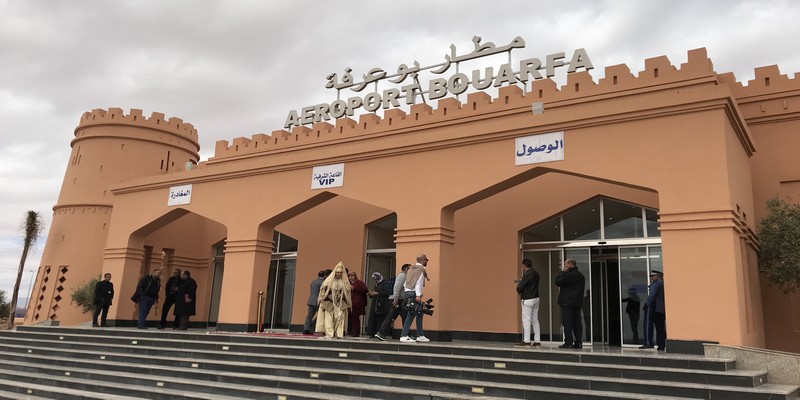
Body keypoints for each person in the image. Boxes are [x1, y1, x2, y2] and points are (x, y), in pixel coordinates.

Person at [315, 262, 352, 338]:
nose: (339, 274)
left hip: (340, 304)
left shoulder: (344, 282)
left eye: (341, 272)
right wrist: (325, 298)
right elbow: (323, 292)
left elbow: (347, 294)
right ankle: (329, 334)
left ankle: (339, 334)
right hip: (330, 303)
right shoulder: (329, 281)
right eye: (338, 272)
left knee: (340, 319)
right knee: (329, 319)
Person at [374, 263, 410, 341]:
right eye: (410, 269)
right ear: (406, 269)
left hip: (398, 299)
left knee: (392, 316)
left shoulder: (404, 276)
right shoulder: (402, 276)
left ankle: (381, 333)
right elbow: (397, 288)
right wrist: (396, 299)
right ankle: (405, 335)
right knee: (404, 316)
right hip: (398, 299)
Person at [555, 259, 585, 349]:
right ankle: (578, 342)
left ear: (570, 265)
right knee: (577, 323)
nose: (564, 266)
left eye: (565, 265)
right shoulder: (581, 276)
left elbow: (558, 282)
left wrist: (562, 272)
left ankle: (568, 342)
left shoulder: (568, 275)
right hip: (577, 303)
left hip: (567, 302)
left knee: (567, 323)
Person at [400, 254, 430, 343]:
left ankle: (420, 335)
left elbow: (405, 283)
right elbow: (419, 282)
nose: (427, 261)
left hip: (408, 292)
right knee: (411, 314)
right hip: (414, 293)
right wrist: (418, 294)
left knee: (420, 313)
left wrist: (407, 291)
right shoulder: (421, 269)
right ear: (423, 260)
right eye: (426, 260)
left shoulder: (411, 269)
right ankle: (404, 335)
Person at [515, 259, 541, 347]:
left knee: (526, 320)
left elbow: (520, 287)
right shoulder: (536, 273)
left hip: (528, 299)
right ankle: (537, 341)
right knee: (535, 319)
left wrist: (519, 290)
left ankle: (527, 340)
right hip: (536, 297)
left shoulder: (527, 274)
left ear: (524, 265)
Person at [640, 270, 666, 350]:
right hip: (661, 309)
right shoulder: (664, 284)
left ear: (657, 276)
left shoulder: (656, 284)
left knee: (648, 324)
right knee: (660, 327)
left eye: (652, 276)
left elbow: (652, 295)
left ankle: (648, 343)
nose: (651, 278)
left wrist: (647, 304)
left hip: (653, 306)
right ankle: (661, 345)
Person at [365, 272, 391, 337]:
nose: (375, 280)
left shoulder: (385, 283)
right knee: (374, 319)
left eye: (376, 278)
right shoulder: (376, 284)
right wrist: (371, 294)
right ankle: (373, 333)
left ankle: (381, 333)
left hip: (382, 304)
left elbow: (387, 292)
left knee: (381, 319)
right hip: (375, 303)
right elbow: (375, 292)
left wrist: (378, 293)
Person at [303, 270, 325, 334]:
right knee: (322, 315)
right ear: (324, 276)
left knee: (309, 316)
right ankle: (313, 324)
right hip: (318, 301)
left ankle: (306, 328)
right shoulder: (323, 283)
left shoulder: (313, 282)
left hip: (311, 301)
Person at [347, 271, 369, 337]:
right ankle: (351, 331)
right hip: (350, 304)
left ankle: (356, 333)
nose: (351, 278)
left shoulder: (360, 283)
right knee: (351, 318)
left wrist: (354, 288)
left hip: (357, 304)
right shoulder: (348, 283)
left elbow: (365, 290)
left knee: (355, 318)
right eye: (349, 276)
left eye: (352, 276)